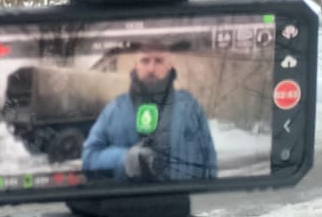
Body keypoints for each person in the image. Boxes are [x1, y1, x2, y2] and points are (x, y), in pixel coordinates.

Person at [81, 44, 219, 182]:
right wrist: (125, 159)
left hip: (179, 200)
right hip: (128, 201)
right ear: (136, 64)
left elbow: (210, 164)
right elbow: (89, 159)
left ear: (170, 64)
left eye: (159, 61)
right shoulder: (115, 110)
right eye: (145, 61)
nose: (151, 69)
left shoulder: (190, 109)